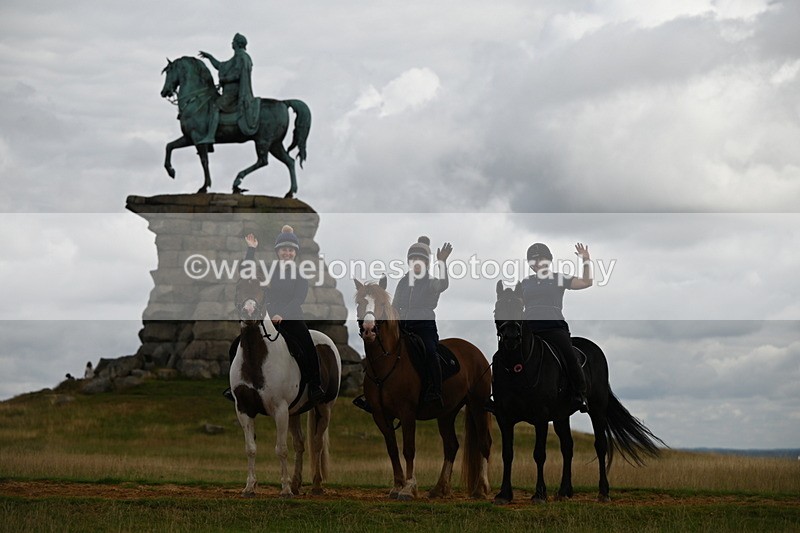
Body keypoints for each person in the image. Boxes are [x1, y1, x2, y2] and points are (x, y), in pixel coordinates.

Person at [223, 226, 324, 403]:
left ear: (295, 253)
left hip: (291, 317)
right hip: (267, 317)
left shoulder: (300, 275)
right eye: (284, 249)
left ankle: (315, 385)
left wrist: (282, 315)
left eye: (291, 250)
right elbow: (247, 272)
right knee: (236, 345)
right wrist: (251, 250)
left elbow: (298, 299)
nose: (287, 253)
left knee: (307, 343)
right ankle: (234, 386)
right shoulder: (268, 271)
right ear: (278, 252)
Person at [521, 242, 592, 413]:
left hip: (553, 327)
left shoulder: (558, 278)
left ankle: (580, 394)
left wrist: (586, 261)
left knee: (569, 355)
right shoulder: (524, 283)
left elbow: (586, 282)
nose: (537, 263)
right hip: (530, 329)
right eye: (533, 260)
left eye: (541, 259)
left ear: (549, 260)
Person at [392, 236, 452, 406]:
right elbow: (394, 306)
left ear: (426, 262)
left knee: (430, 352)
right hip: (402, 327)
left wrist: (441, 262)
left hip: (424, 327)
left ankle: (435, 391)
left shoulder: (431, 281)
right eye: (413, 259)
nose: (416, 262)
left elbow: (443, 284)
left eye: (420, 259)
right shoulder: (403, 282)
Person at [198, 33, 260, 143]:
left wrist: (224, 79)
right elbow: (220, 66)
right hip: (229, 92)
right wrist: (210, 57)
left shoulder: (241, 57)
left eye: (233, 41)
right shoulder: (237, 57)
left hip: (234, 93)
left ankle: (211, 136)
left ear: (237, 44)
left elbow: (237, 75)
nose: (232, 43)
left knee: (215, 106)